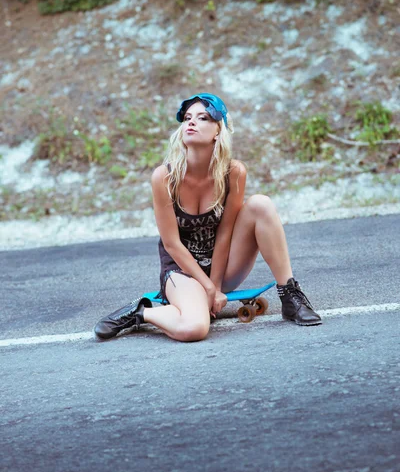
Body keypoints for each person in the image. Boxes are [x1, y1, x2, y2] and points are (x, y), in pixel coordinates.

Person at [94, 92, 321, 341]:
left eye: (203, 118)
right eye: (187, 118)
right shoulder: (164, 178)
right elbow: (171, 244)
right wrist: (208, 287)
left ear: (217, 131)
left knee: (261, 205)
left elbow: (225, 233)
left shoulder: (233, 172)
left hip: (221, 266)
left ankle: (290, 295)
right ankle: (142, 312)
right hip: (182, 270)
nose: (191, 122)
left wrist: (214, 286)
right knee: (194, 328)